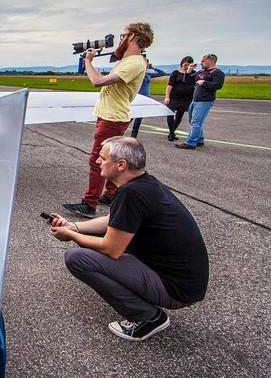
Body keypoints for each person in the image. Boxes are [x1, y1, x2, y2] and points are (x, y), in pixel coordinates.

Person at [46, 136, 208, 341]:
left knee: (77, 258)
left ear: (121, 165)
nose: (97, 162)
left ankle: (148, 318)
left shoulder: (131, 193)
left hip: (175, 289)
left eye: (103, 158)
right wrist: (74, 225)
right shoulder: (144, 183)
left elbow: (111, 248)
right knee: (108, 236)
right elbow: (113, 220)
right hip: (184, 281)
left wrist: (71, 235)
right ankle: (145, 304)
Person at [62, 22, 153, 217]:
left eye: (124, 35)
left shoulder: (135, 63)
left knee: (98, 160)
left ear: (132, 37)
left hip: (112, 118)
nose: (120, 39)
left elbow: (97, 81)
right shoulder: (129, 61)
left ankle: (89, 204)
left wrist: (88, 61)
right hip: (111, 116)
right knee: (111, 158)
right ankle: (110, 194)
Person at [176, 54, 225, 149]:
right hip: (196, 99)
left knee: (196, 122)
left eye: (203, 61)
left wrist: (204, 83)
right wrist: (189, 70)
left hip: (205, 100)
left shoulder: (217, 73)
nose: (201, 63)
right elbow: (187, 81)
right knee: (193, 121)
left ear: (211, 61)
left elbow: (218, 85)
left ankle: (191, 142)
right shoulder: (201, 72)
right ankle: (199, 139)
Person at [129, 58, 167, 138]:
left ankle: (134, 135)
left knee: (139, 118)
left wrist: (153, 68)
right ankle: (122, 130)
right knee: (131, 116)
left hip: (146, 98)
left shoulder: (148, 74)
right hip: (138, 97)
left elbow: (163, 74)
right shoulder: (137, 74)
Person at [164, 56, 197, 141]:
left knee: (179, 115)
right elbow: (170, 85)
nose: (186, 67)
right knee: (170, 113)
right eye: (185, 65)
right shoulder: (175, 73)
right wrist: (167, 97)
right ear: (181, 64)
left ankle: (172, 131)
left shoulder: (193, 73)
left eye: (188, 65)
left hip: (186, 98)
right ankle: (171, 132)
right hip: (174, 96)